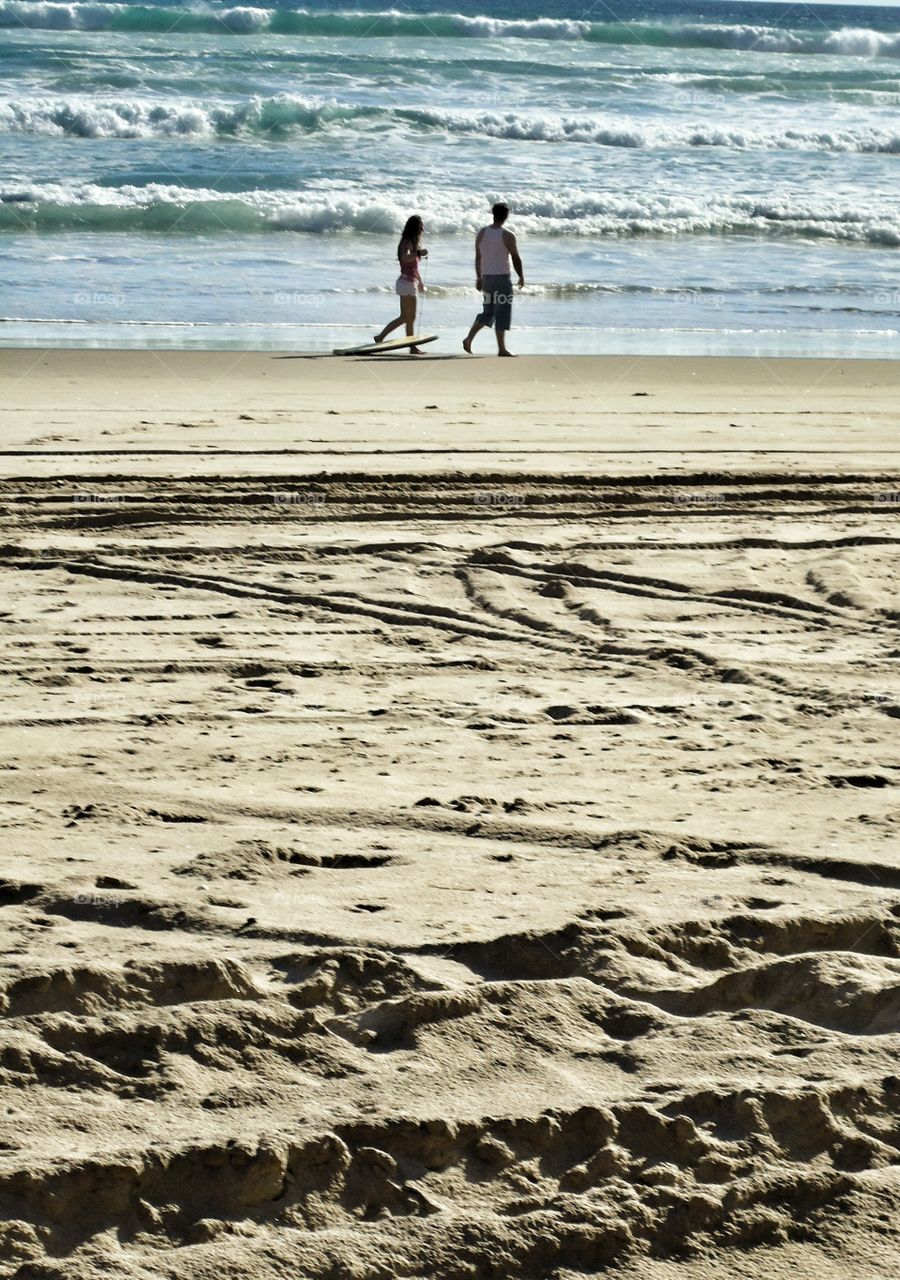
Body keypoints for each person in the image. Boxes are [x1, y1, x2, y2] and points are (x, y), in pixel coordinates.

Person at [463, 202, 524, 357]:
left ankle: (469, 338)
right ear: (506, 216)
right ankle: (501, 349)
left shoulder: (482, 233)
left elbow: (478, 258)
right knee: (502, 312)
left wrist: (478, 277)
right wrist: (521, 276)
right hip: (502, 278)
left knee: (488, 312)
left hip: (487, 278)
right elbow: (516, 258)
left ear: (493, 214)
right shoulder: (508, 235)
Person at [374, 215, 428, 355]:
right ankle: (411, 346)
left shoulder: (413, 243)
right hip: (405, 283)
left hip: (410, 282)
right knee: (408, 317)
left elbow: (414, 268)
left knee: (406, 317)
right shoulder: (406, 242)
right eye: (421, 225)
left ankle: (383, 337)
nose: (422, 228)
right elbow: (404, 258)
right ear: (416, 227)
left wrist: (420, 282)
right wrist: (418, 253)